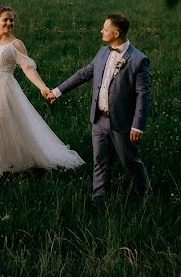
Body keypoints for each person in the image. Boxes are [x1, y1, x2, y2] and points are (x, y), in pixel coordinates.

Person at [0, 6, 84, 182]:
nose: (9, 23)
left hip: (4, 88)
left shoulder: (16, 44)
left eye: (12, 20)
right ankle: (7, 158)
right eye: (6, 19)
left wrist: (42, 87)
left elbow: (28, 68)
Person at [48, 13, 152, 205]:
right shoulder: (103, 52)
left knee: (129, 161)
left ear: (116, 32)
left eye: (105, 29)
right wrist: (57, 91)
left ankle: (145, 194)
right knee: (100, 161)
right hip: (99, 119)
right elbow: (84, 74)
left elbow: (142, 96)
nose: (101, 31)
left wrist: (138, 125)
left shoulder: (138, 60)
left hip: (122, 122)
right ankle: (98, 201)